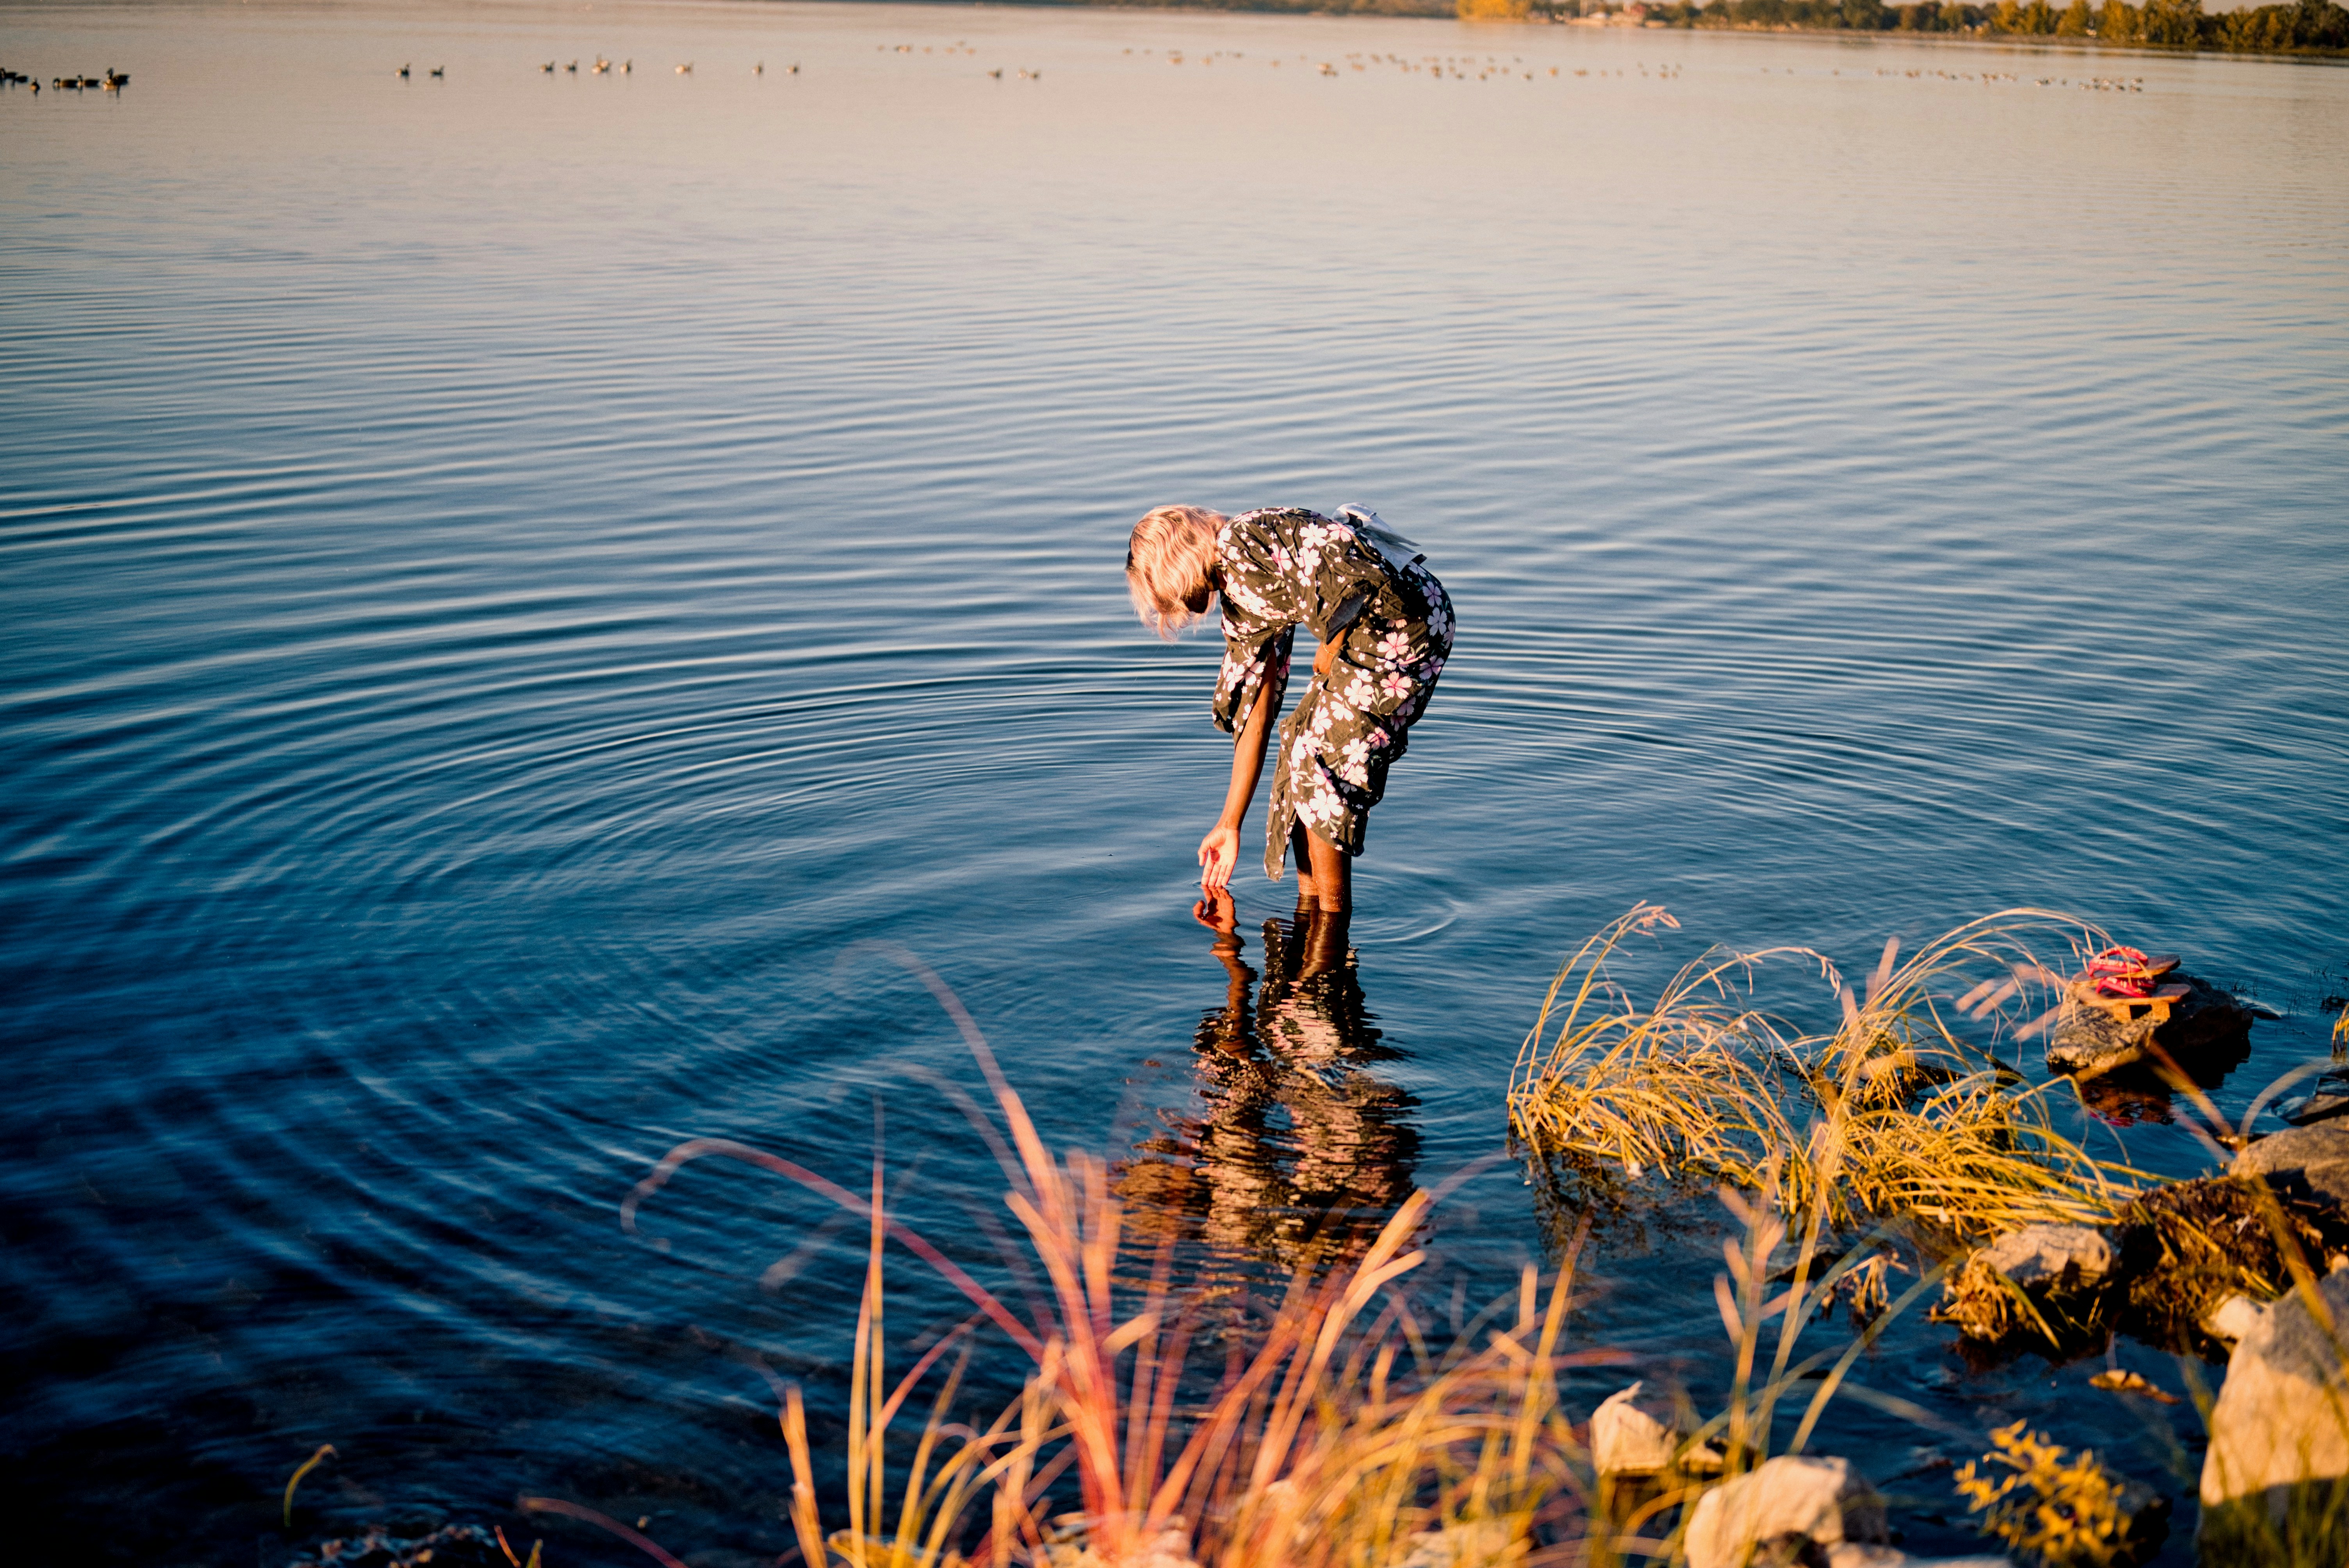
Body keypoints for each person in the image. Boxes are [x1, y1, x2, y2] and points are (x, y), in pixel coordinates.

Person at [1124, 504, 1453, 928]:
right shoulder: (1238, 597)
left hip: (1402, 622)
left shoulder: (1243, 541)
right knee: (1297, 747)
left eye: (1166, 591)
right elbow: (1255, 715)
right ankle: (1309, 911)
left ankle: (1332, 924)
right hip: (1371, 632)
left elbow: (1355, 573)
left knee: (1321, 767)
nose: (1179, 607)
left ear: (1176, 560)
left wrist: (1329, 649)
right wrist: (1229, 823)